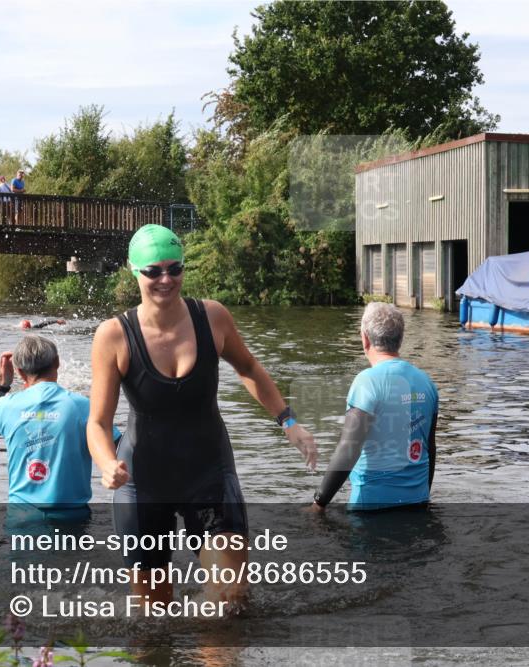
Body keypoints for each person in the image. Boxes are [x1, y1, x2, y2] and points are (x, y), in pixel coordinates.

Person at [87, 223, 318, 611]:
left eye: (175, 269)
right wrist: (106, 463)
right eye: (154, 271)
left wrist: (288, 421)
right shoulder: (114, 335)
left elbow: (249, 368)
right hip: (143, 482)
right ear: (133, 271)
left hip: (208, 474)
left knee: (230, 603)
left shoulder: (212, 317)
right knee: (152, 617)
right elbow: (97, 421)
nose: (166, 279)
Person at [0, 337, 119, 519]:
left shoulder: (4, 406)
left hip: (22, 516)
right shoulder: (83, 406)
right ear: (57, 362)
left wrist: (1, 386)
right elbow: (121, 445)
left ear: (19, 372)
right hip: (72, 516)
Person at [311, 302, 438, 511]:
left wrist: (319, 503)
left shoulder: (366, 382)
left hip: (370, 506)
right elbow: (429, 448)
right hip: (417, 503)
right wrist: (423, 495)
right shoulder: (426, 383)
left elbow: (348, 449)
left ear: (365, 338)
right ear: (400, 339)